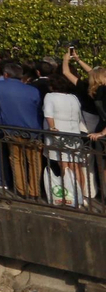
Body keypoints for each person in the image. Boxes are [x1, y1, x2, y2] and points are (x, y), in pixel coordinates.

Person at [0, 62, 44, 198]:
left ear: (6, 74)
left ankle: (22, 190)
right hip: (33, 130)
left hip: (11, 129)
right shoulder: (32, 90)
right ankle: (34, 191)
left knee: (16, 159)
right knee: (34, 161)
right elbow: (38, 110)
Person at [43, 76, 88, 207]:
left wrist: (52, 128)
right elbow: (79, 115)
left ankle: (72, 196)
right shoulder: (73, 97)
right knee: (76, 166)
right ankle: (81, 196)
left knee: (64, 165)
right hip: (74, 133)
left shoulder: (49, 96)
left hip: (58, 134)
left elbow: (48, 114)